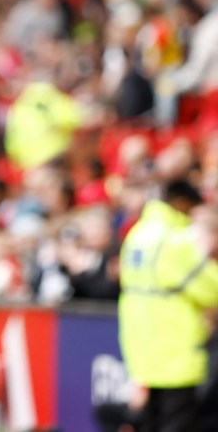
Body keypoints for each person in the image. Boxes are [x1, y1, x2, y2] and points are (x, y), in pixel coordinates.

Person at [118, 179, 218, 432]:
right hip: (175, 351)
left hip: (142, 348)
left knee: (149, 423)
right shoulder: (174, 240)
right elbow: (211, 289)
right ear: (182, 202)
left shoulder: (138, 232)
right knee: (177, 424)